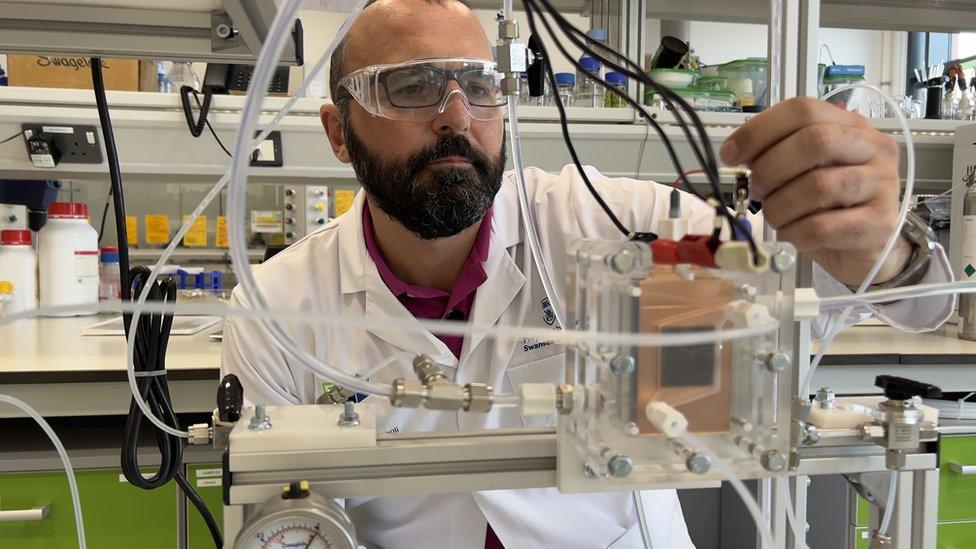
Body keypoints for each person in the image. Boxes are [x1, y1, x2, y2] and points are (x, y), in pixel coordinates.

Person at [221, 1, 953, 547]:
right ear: (337, 132)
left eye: (480, 86)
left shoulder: (605, 222)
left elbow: (866, 292)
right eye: (411, 86)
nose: (455, 115)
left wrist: (883, 243)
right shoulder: (279, 307)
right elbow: (286, 521)